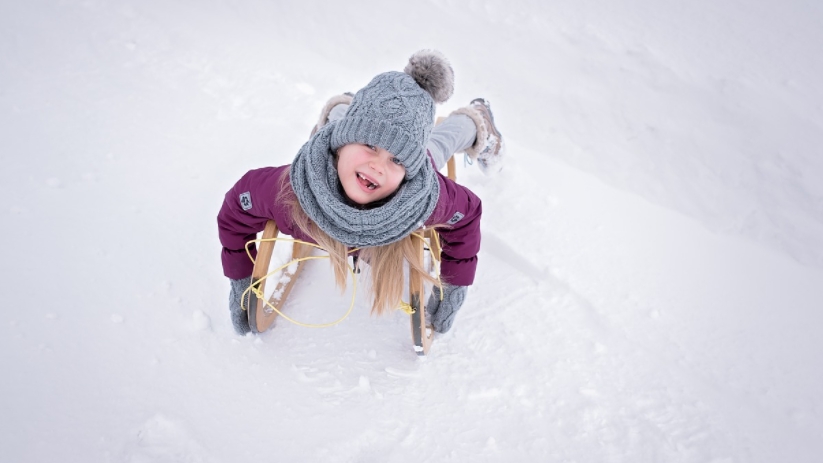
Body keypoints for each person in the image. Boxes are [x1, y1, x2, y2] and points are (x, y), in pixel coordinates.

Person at [217, 50, 505, 335]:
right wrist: (241, 278)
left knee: (439, 143)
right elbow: (237, 207)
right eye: (370, 146)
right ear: (340, 144)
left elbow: (467, 213)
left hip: (414, 161)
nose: (378, 166)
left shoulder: (422, 198)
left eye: (397, 160)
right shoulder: (292, 191)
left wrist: (453, 284)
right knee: (340, 123)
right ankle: (343, 109)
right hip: (344, 143)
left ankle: (475, 118)